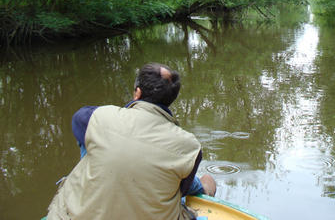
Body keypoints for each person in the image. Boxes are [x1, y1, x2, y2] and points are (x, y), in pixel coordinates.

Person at [46, 62, 216, 220]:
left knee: (90, 139)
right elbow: (180, 191)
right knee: (203, 182)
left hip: (74, 214)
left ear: (138, 92)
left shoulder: (95, 117)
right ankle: (206, 186)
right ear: (171, 99)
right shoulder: (190, 147)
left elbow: (79, 119)